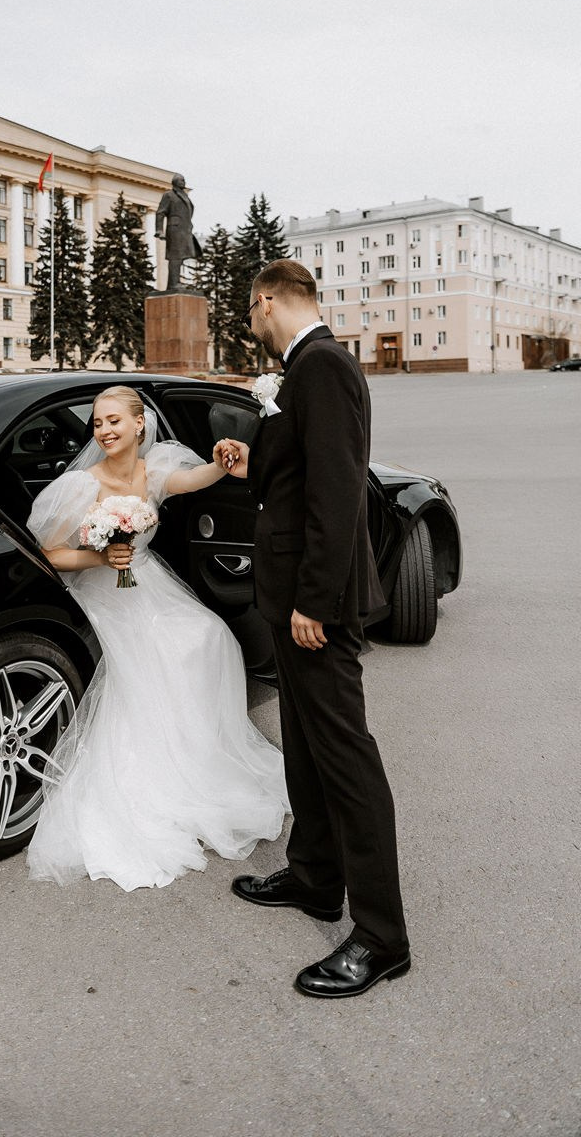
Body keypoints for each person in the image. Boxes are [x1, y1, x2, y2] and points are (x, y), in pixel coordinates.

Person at [217, 259, 410, 998]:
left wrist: (317, 602)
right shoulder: (301, 371)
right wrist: (250, 458)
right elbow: (295, 476)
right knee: (303, 743)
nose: (251, 325)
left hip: (312, 604)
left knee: (346, 759)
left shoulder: (323, 366)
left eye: (251, 312)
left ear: (267, 301)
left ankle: (382, 937)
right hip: (289, 594)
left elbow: (338, 490)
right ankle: (314, 877)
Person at [25, 385, 289, 891]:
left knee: (209, 636)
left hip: (146, 580)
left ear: (139, 425)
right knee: (152, 658)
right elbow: (51, 553)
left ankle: (201, 759)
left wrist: (223, 461)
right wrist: (100, 558)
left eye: (114, 421)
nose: (104, 431)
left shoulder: (156, 468)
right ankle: (154, 781)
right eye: (98, 423)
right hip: (102, 590)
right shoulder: (81, 485)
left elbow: (193, 480)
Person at [155, 174, 202, 290]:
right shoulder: (169, 195)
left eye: (184, 180)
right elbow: (160, 212)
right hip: (174, 230)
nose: (184, 182)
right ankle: (173, 284)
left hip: (185, 231)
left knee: (180, 257)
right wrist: (159, 230)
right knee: (175, 257)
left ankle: (175, 282)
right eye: (181, 180)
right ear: (174, 182)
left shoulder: (185, 196)